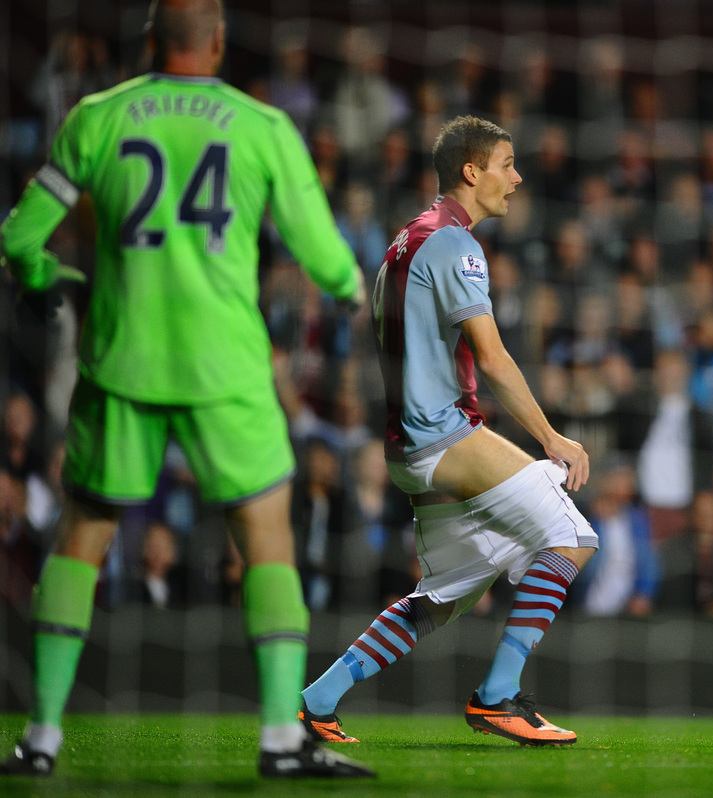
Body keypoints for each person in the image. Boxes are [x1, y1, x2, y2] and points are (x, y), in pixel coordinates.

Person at [0, 0, 372, 779]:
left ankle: (39, 738)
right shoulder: (262, 125)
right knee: (267, 540)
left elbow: (18, 238)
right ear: (220, 42)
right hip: (225, 370)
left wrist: (40, 278)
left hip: (120, 365)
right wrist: (346, 291)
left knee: (79, 543)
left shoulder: (96, 116)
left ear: (149, 42)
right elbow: (319, 247)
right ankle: (279, 740)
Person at [298, 115, 597, 747]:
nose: (516, 179)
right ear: (472, 170)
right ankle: (497, 698)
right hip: (442, 434)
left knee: (442, 597)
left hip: (407, 445)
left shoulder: (404, 240)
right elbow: (491, 358)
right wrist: (552, 438)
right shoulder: (456, 244)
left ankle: (317, 701)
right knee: (571, 536)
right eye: (507, 164)